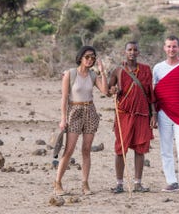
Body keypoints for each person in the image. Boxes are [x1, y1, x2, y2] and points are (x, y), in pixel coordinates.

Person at [53, 45, 108, 196]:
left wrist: (102, 72)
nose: (90, 60)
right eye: (87, 57)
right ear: (80, 58)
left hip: (90, 111)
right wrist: (63, 118)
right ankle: (58, 182)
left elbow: (105, 90)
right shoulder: (70, 74)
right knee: (69, 149)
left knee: (86, 149)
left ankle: (85, 183)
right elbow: (64, 98)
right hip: (74, 111)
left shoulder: (92, 76)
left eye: (93, 57)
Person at [108, 41, 157, 194]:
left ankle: (137, 183)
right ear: (125, 52)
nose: (132, 52)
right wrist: (113, 89)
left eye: (135, 50)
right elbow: (109, 89)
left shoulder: (146, 70)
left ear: (138, 53)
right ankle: (119, 184)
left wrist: (153, 114)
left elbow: (150, 93)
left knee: (140, 149)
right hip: (123, 114)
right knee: (120, 149)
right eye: (129, 49)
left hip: (142, 115)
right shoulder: (117, 70)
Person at [152, 35, 179, 195]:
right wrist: (154, 115)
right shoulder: (157, 68)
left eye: (174, 46)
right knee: (166, 148)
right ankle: (172, 181)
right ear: (164, 48)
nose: (171, 49)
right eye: (169, 46)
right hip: (163, 112)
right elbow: (155, 93)